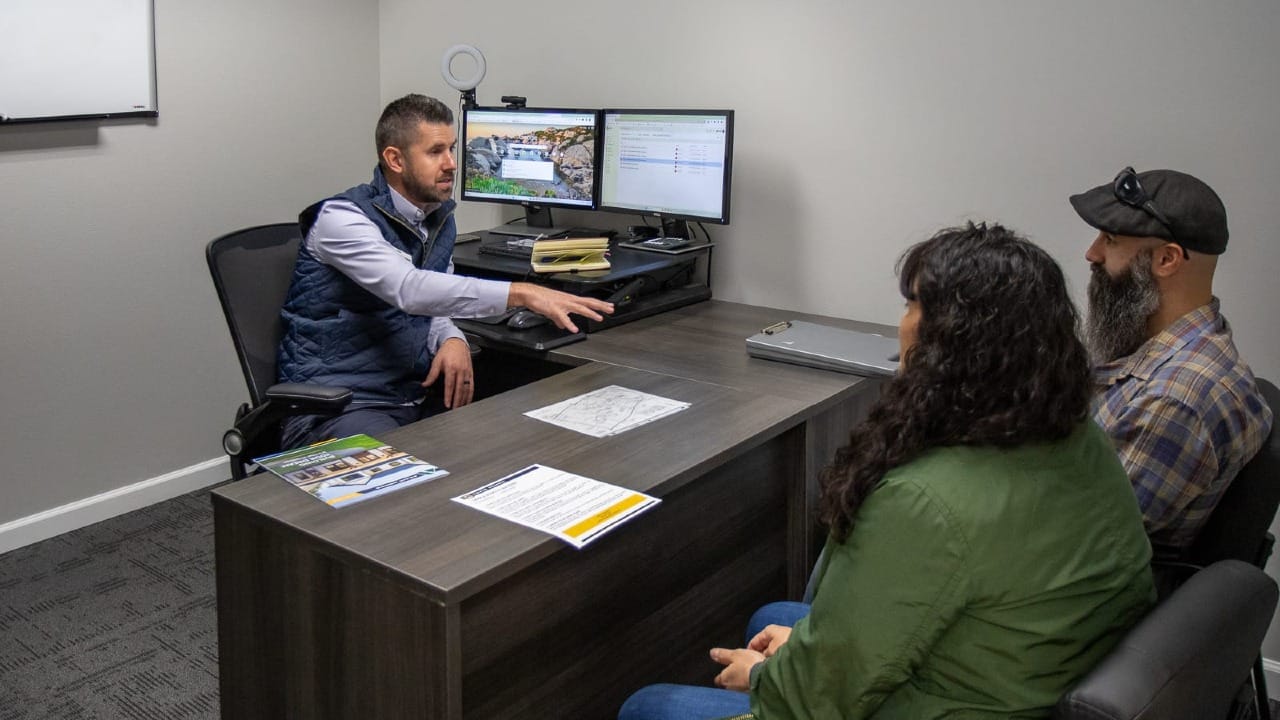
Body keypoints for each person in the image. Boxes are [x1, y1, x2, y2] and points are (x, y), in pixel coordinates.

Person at [618, 223, 1155, 720]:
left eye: (911, 304)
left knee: (649, 705)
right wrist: (804, 655)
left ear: (945, 339)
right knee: (773, 618)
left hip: (957, 702)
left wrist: (763, 677)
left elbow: (814, 700)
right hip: (1025, 672)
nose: (902, 322)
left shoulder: (921, 501)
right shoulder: (1077, 434)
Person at [277, 94, 613, 449]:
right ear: (395, 159)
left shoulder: (435, 218)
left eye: (451, 149)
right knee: (414, 478)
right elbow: (409, 289)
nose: (452, 164)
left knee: (518, 444)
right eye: (436, 152)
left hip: (408, 397)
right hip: (337, 407)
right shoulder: (341, 220)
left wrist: (451, 337)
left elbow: (435, 300)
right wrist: (521, 293)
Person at [1069, 167, 1273, 555]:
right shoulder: (1155, 350)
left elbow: (1077, 539)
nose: (1092, 253)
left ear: (1166, 259)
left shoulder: (1177, 399)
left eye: (1110, 240)